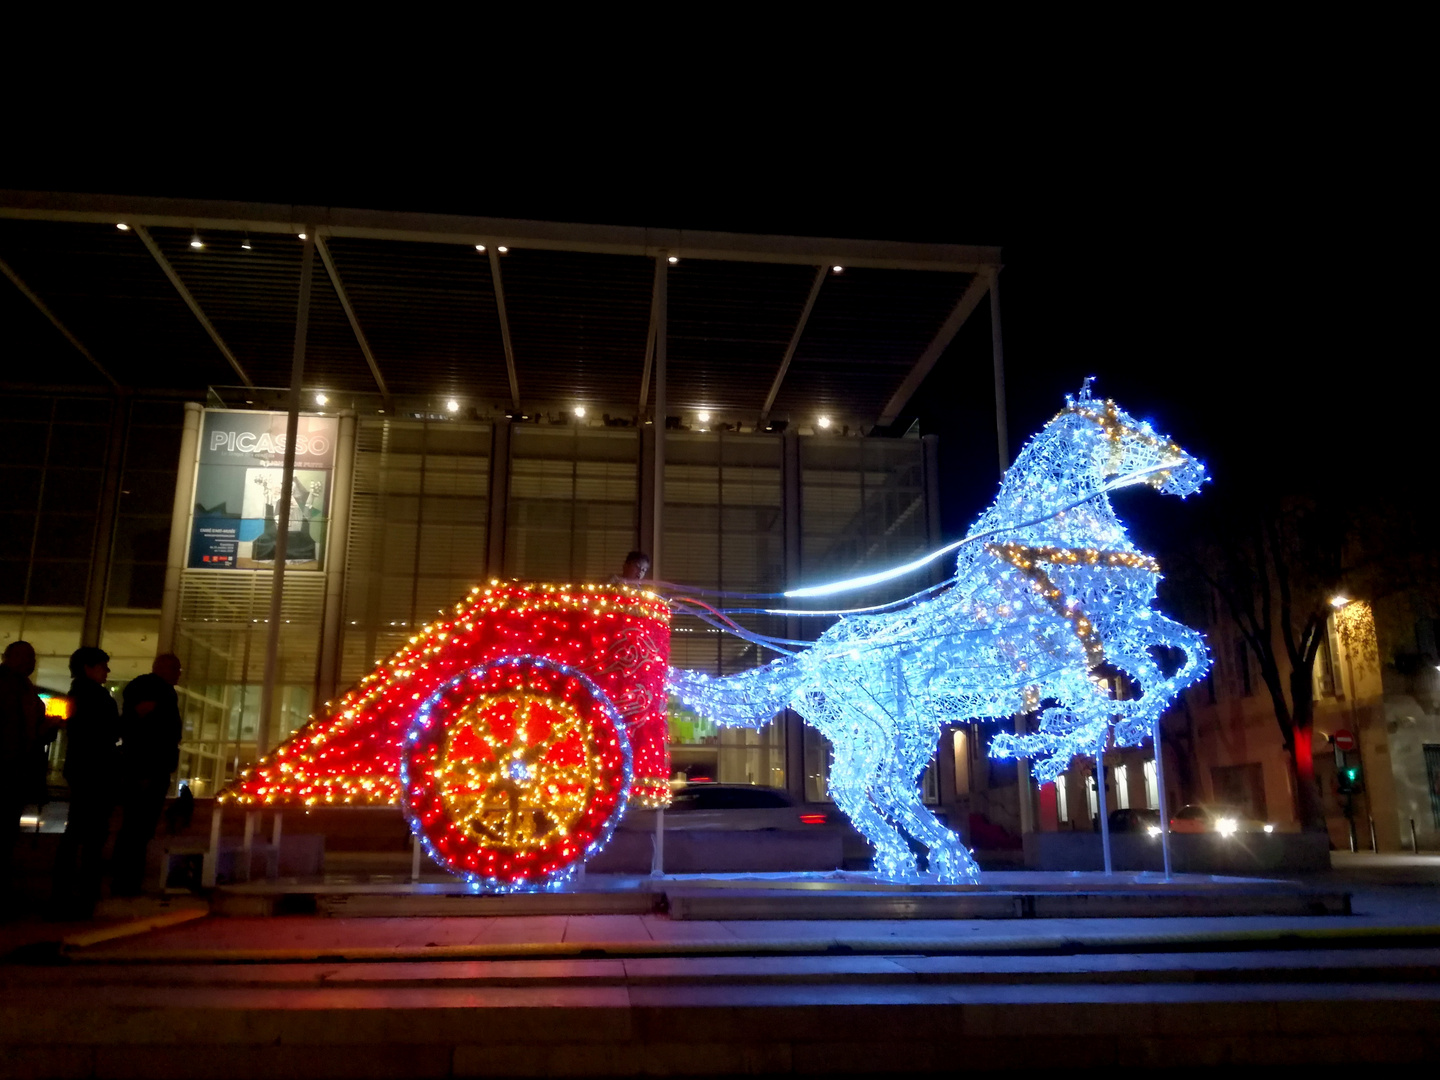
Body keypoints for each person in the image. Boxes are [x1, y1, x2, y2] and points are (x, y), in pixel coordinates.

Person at [53, 646, 120, 918]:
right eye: (103, 666)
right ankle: (82, 893)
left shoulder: (78, 695)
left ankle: (68, 892)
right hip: (95, 770)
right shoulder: (94, 696)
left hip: (84, 768)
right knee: (90, 832)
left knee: (79, 830)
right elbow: (105, 731)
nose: (107, 671)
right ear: (88, 668)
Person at [112, 654, 183, 896]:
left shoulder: (152, 690)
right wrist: (146, 767)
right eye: (176, 668)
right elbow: (146, 730)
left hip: (147, 766)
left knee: (138, 827)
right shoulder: (154, 690)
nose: (179, 674)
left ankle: (127, 881)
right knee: (138, 827)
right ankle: (126, 882)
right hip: (147, 768)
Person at [0, 641, 43, 914]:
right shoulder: (16, 687)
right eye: (28, 657)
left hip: (13, 769)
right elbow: (25, 730)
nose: (32, 662)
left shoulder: (20, 687)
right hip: (10, 769)